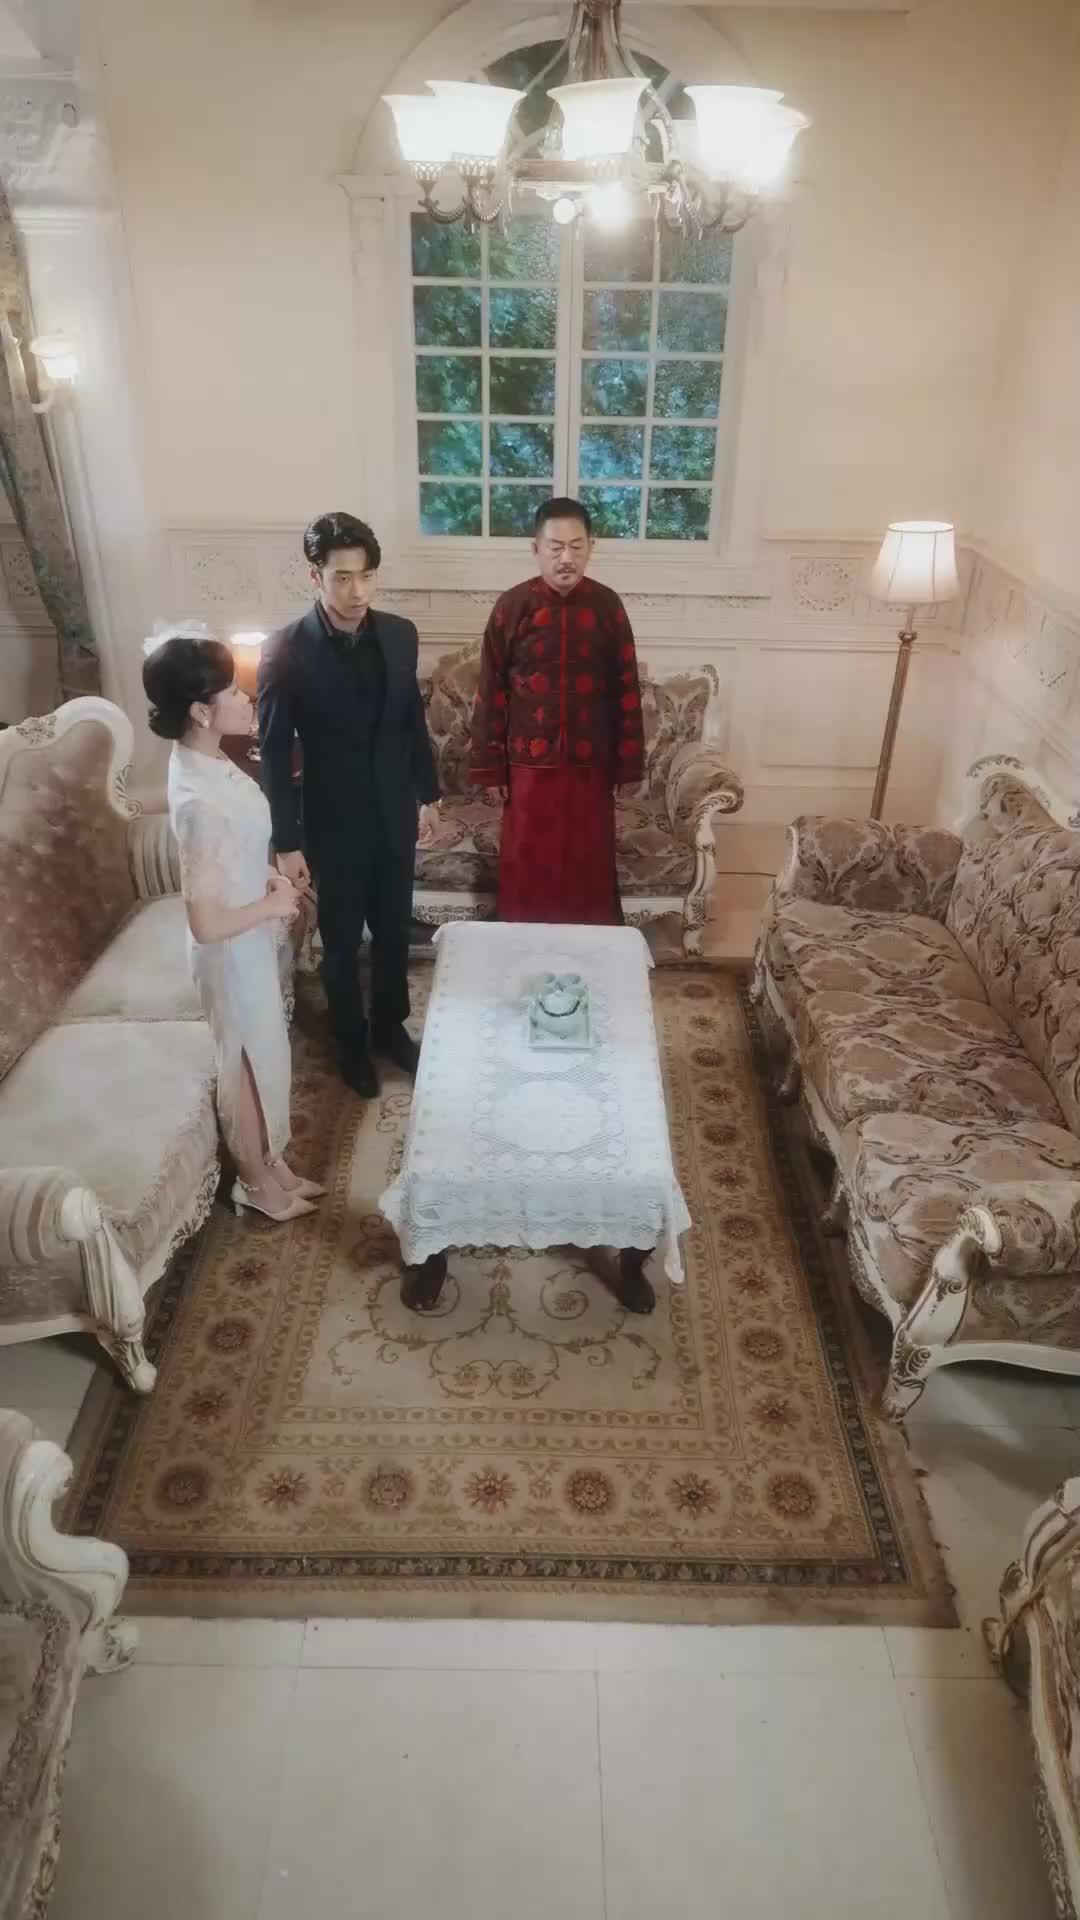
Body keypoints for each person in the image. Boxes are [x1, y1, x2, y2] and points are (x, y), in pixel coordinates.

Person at [143, 627, 323, 1223]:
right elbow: (203, 921)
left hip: (247, 938)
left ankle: (272, 1163)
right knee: (244, 1064)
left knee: (265, 1053)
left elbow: (236, 847)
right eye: (234, 691)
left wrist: (267, 876)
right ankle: (255, 1184)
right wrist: (271, 908)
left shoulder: (208, 757)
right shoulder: (197, 800)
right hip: (227, 950)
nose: (247, 698)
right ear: (201, 710)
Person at [257, 513, 440, 1098]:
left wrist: (428, 794)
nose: (357, 591)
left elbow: (412, 722)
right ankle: (350, 1040)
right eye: (342, 578)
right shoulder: (284, 650)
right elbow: (273, 752)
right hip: (331, 819)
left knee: (393, 929)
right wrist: (287, 842)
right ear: (315, 577)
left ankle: (389, 1027)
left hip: (394, 809)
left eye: (366, 576)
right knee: (339, 940)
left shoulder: (400, 634)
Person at [468, 497, 645, 923]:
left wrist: (628, 766)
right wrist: (491, 768)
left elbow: (626, 689)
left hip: (592, 765)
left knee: (588, 868)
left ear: (591, 548)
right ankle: (524, 949)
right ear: (536, 548)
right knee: (528, 868)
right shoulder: (512, 607)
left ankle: (591, 952)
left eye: (576, 546)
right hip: (528, 767)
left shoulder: (607, 606)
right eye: (556, 547)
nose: (566, 558)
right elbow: (490, 690)